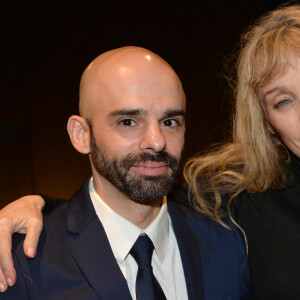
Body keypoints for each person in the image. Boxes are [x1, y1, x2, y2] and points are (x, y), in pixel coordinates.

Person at [0, 46, 252, 299]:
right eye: (128, 122)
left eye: (169, 122)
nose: (157, 141)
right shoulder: (23, 261)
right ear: (82, 135)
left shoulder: (225, 245)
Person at [184, 4, 300, 299]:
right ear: (266, 122)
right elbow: (126, 211)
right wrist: (50, 208)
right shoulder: (236, 198)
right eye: (283, 101)